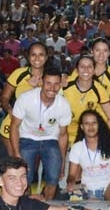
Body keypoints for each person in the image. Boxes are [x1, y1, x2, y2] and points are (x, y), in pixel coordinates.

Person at [9, 64, 72, 200]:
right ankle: (25, 207)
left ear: (61, 85)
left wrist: (62, 162)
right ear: (41, 82)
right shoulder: (25, 98)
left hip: (50, 139)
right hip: (27, 138)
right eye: (48, 83)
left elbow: (63, 135)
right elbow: (14, 127)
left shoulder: (64, 104)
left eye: (56, 84)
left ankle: (46, 208)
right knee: (24, 176)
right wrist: (16, 153)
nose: (52, 88)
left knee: (54, 176)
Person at [0, 41, 47, 151]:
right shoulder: (19, 73)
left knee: (30, 165)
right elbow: (4, 97)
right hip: (14, 122)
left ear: (46, 57)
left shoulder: (50, 77)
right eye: (33, 54)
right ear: (28, 56)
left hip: (37, 126)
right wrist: (9, 109)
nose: (37, 58)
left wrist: (36, 89)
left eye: (41, 54)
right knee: (14, 163)